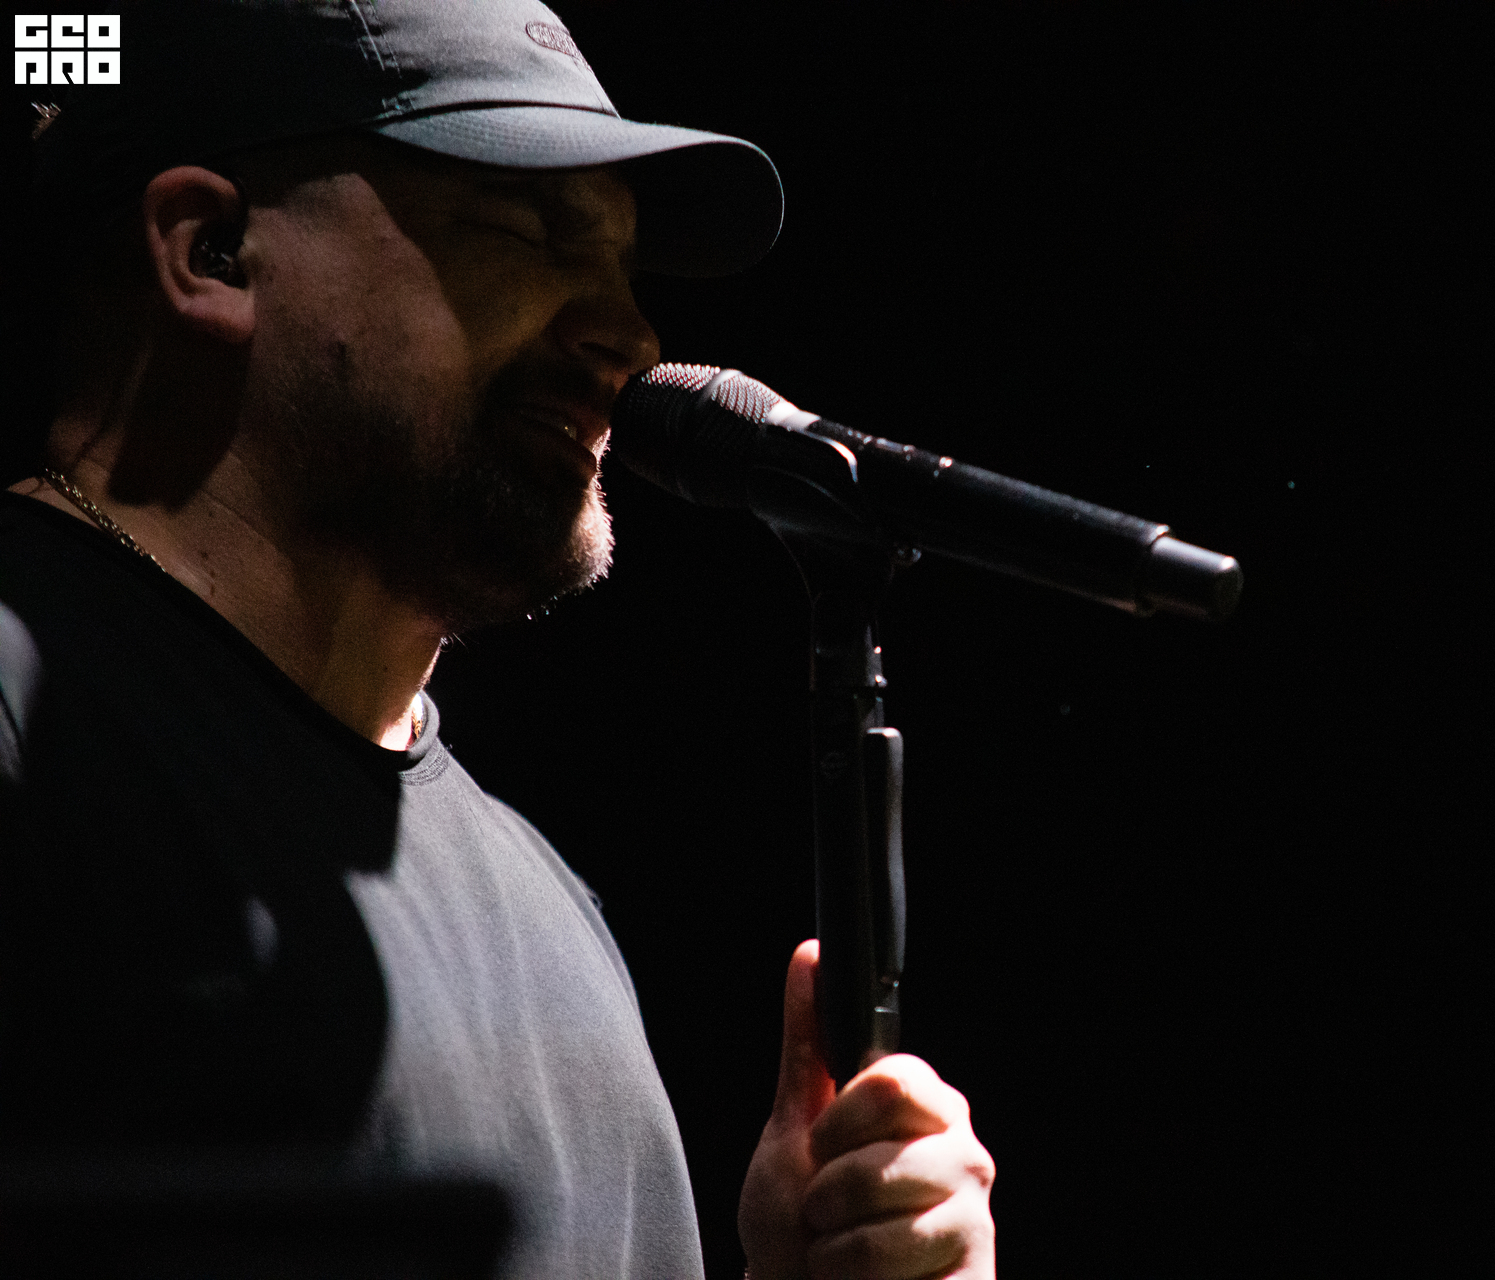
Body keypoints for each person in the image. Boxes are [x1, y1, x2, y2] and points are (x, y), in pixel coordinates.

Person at [0, 3, 995, 1277]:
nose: (631, 336)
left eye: (625, 267)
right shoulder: (31, 726)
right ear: (215, 250)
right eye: (527, 231)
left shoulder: (552, 912)